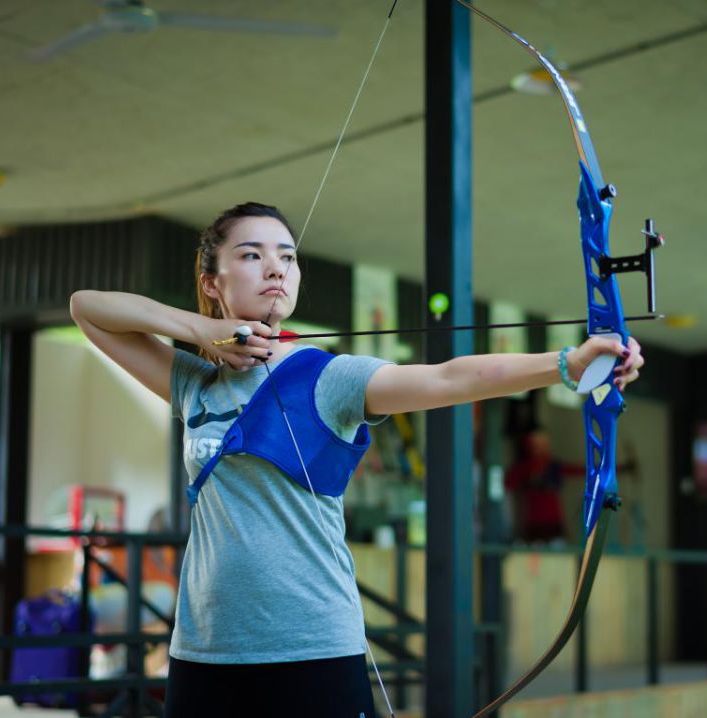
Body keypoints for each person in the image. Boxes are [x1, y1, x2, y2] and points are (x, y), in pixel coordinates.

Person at [69, 201, 645, 717]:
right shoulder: (192, 384)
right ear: (213, 281)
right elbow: (87, 307)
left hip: (312, 644)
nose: (276, 267)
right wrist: (200, 328)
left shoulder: (326, 376)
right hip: (203, 648)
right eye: (251, 254)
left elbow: (448, 377)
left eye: (287, 256)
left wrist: (567, 364)